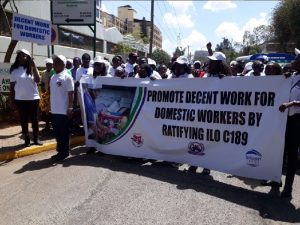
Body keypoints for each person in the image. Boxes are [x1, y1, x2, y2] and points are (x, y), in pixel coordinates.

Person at [278, 49, 300, 198]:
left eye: (296, 59)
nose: (293, 61)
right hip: (284, 120)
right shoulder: (292, 76)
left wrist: (291, 103)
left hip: (297, 121)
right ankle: (275, 180)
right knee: (279, 151)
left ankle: (288, 188)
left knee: (292, 155)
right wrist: (284, 78)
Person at [10, 49, 42, 147]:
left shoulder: (32, 69)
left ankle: (36, 138)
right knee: (23, 119)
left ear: (28, 58)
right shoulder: (14, 70)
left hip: (33, 98)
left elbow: (38, 80)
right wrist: (12, 100)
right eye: (19, 56)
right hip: (20, 99)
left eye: (23, 56)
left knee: (34, 119)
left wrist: (34, 66)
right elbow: (12, 87)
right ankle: (26, 138)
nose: (21, 58)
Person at [50, 54, 74, 161]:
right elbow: (52, 93)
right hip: (54, 110)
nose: (54, 64)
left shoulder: (67, 77)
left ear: (62, 64)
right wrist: (48, 106)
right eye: (54, 62)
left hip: (63, 111)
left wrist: (70, 107)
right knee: (57, 132)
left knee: (64, 132)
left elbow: (71, 93)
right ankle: (60, 150)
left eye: (56, 62)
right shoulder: (53, 77)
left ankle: (65, 152)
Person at [40, 58, 53, 131]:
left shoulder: (54, 72)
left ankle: (52, 125)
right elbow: (42, 83)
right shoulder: (44, 73)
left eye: (50, 65)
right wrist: (43, 93)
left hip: (53, 95)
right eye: (47, 65)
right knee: (46, 111)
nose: (49, 66)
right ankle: (47, 126)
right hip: (46, 95)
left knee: (52, 111)